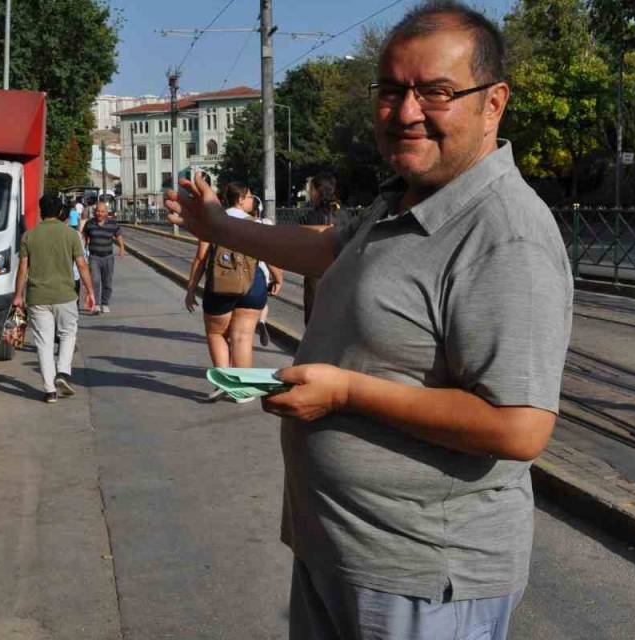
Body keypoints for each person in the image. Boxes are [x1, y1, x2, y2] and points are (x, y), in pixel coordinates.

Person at [164, 2, 573, 637]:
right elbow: (328, 245)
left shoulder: (504, 233)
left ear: (493, 103)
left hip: (421, 580)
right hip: (343, 552)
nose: (406, 112)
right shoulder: (402, 199)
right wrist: (220, 227)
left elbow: (519, 428)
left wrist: (347, 392)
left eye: (436, 92)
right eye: (391, 90)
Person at [183, 182, 282, 403]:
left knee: (216, 333)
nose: (251, 201)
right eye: (249, 197)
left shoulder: (214, 223)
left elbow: (201, 258)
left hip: (220, 286)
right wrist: (278, 277)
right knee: (243, 336)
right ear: (241, 198)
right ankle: (243, 391)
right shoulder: (256, 223)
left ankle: (223, 381)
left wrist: (191, 289)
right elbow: (267, 254)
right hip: (252, 285)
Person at [13, 195, 96, 404]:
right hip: (65, 295)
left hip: (37, 296)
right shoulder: (71, 235)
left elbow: (23, 268)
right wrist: (90, 291)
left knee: (44, 343)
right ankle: (63, 372)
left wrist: (18, 296)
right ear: (61, 212)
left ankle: (50, 391)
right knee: (68, 333)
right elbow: (82, 265)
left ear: (41, 211)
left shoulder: (29, 236)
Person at [300, 173, 341, 325]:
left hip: (317, 273)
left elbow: (305, 246)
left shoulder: (312, 216)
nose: (310, 194)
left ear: (317, 191)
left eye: (311, 190)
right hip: (342, 270)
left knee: (314, 319)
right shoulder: (343, 214)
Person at [81, 201, 126, 315]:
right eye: (98, 211)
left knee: (107, 281)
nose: (99, 213)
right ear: (95, 212)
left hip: (108, 257)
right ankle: (96, 304)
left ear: (106, 212)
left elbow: (118, 235)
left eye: (102, 211)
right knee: (95, 280)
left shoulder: (112, 224)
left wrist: (121, 248)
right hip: (94, 257)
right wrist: (83, 250)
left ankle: (105, 303)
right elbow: (85, 237)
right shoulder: (90, 224)